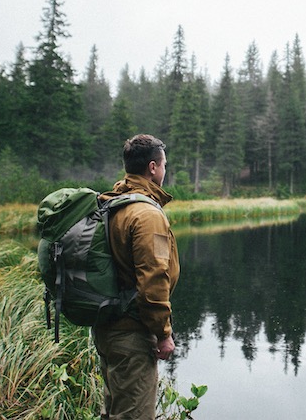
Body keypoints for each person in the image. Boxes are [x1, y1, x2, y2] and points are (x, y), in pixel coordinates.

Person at [93, 134, 180, 420]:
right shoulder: (146, 214)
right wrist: (163, 333)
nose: (165, 171)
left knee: (115, 411)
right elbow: (152, 281)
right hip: (131, 333)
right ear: (153, 167)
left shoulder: (113, 202)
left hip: (107, 328)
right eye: (164, 165)